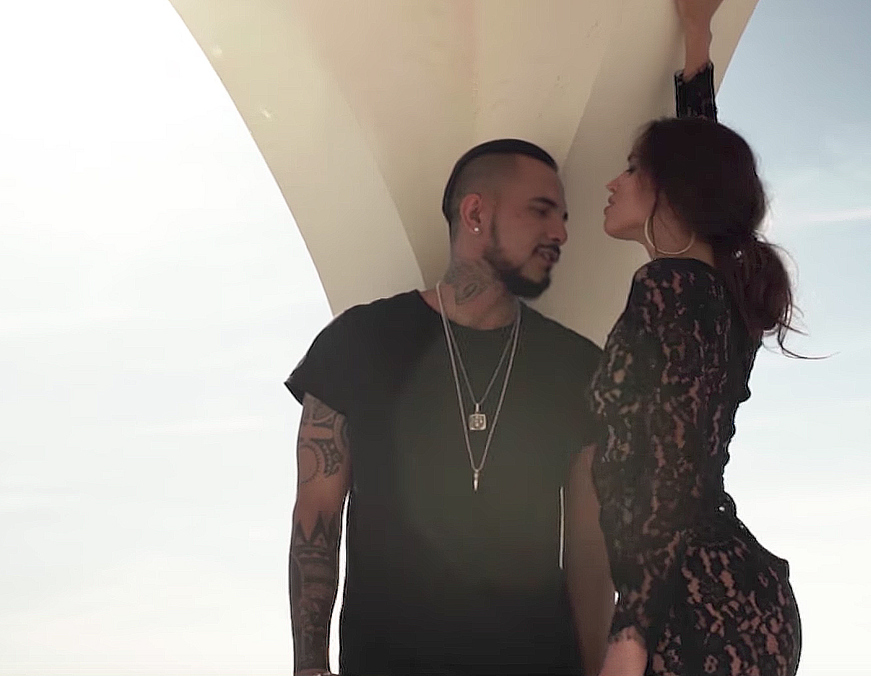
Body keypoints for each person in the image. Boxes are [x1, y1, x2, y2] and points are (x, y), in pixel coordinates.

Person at [285, 3, 725, 673]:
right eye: (540, 211)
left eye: (564, 216)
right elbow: (315, 525)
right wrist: (309, 667)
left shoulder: (580, 368)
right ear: (475, 213)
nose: (562, 232)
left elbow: (589, 556)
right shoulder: (356, 343)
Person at [568, 11, 805, 675]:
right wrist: (696, 40)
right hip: (728, 597)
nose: (613, 182)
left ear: (673, 189)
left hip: (692, 610)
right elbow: (701, 153)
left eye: (631, 169)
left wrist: (631, 630)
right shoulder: (717, 289)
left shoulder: (670, 286)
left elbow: (671, 471)